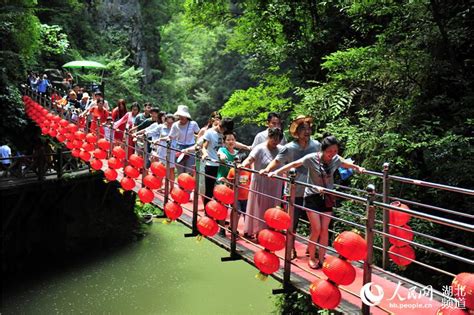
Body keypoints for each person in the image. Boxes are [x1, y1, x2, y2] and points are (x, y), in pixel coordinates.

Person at [269, 135, 364, 269]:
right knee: (316, 229)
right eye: (329, 151)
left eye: (335, 151)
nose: (332, 154)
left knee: (325, 230)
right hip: (312, 196)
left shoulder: (335, 159)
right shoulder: (312, 158)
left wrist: (357, 167)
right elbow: (294, 164)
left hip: (327, 197)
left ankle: (321, 257)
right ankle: (312, 257)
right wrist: (276, 172)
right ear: (322, 150)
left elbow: (345, 163)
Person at [260, 115, 321, 259]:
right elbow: (277, 161)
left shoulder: (316, 145)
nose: (307, 132)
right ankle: (291, 248)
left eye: (308, 128)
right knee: (292, 223)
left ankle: (312, 248)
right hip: (295, 191)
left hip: (312, 190)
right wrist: (267, 170)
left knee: (315, 224)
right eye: (303, 129)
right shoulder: (289, 148)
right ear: (296, 131)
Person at [242, 127, 284, 238]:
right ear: (269, 137)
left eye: (278, 139)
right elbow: (250, 159)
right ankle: (258, 231)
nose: (276, 141)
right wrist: (243, 164)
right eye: (273, 138)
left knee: (273, 208)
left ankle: (270, 232)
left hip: (275, 185)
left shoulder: (281, 149)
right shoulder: (259, 148)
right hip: (260, 183)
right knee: (259, 208)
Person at [201, 118, 235, 207]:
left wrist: (246, 147)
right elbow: (204, 147)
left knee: (222, 192)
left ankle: (219, 217)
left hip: (223, 167)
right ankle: (208, 215)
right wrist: (205, 154)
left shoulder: (225, 134)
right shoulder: (209, 132)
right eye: (223, 129)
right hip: (211, 165)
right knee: (209, 191)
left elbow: (233, 142)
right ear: (220, 124)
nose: (223, 131)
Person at [168, 105, 200, 174]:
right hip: (179, 148)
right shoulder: (175, 125)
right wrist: (161, 139)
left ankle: (188, 184)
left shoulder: (193, 124)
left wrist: (198, 144)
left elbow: (199, 134)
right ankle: (181, 184)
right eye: (180, 115)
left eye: (183, 115)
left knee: (189, 171)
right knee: (180, 171)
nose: (181, 117)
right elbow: (170, 136)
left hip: (191, 148)